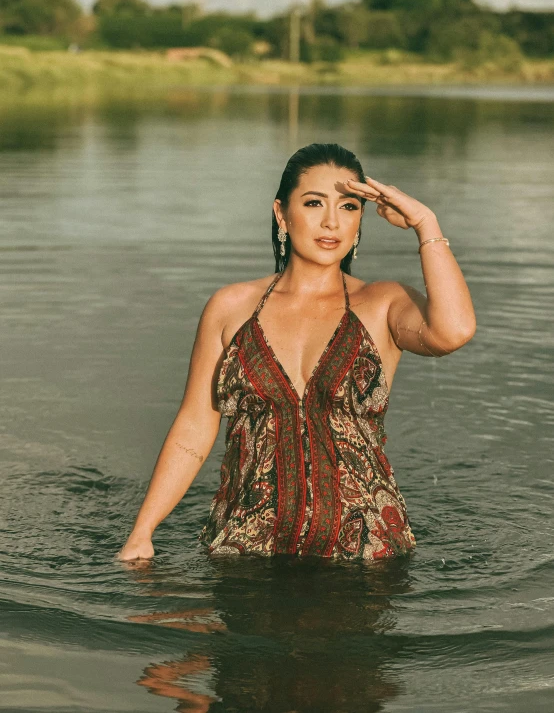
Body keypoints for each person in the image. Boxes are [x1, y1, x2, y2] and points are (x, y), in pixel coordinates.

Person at [116, 142, 476, 562]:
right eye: (313, 203)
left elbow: (454, 331)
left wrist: (425, 224)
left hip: (366, 557)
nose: (331, 222)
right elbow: (194, 427)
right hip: (246, 549)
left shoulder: (382, 304)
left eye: (348, 207)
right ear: (281, 213)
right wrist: (142, 532)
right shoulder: (231, 308)